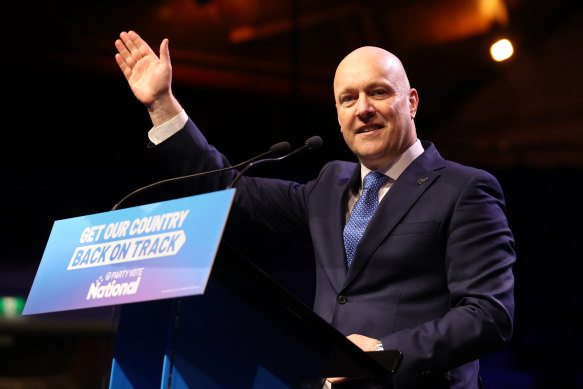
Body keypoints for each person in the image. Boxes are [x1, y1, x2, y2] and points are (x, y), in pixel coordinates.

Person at [114, 30, 515, 389]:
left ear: (411, 103)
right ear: (338, 115)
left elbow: (489, 315)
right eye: (348, 98)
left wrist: (383, 352)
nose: (362, 109)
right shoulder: (328, 187)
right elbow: (224, 187)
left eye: (378, 92)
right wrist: (162, 105)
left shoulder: (465, 189)